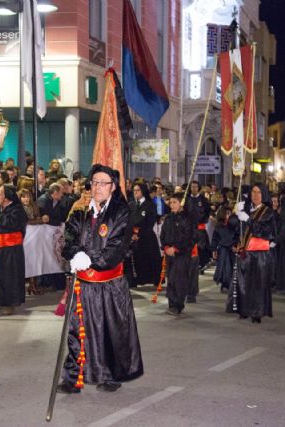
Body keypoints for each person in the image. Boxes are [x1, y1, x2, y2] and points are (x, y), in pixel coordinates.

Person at [57, 164, 143, 394]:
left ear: (113, 187)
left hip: (110, 285)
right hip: (83, 285)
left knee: (111, 330)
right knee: (78, 330)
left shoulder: (121, 213)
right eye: (94, 182)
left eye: (103, 183)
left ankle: (111, 375)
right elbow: (69, 238)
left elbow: (116, 248)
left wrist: (91, 258)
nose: (97, 187)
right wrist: (75, 254)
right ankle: (74, 377)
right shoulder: (79, 211)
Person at [229, 184, 277, 323]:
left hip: (259, 253)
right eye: (253, 192)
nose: (255, 195)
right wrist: (236, 213)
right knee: (243, 283)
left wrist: (248, 219)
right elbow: (236, 228)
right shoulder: (247, 209)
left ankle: (257, 312)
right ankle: (243, 310)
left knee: (257, 284)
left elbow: (263, 231)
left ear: (264, 195)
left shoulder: (267, 212)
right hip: (244, 251)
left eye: (259, 192)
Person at [0, 185, 28, 315]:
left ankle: (10, 304)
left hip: (12, 249)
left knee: (10, 277)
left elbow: (12, 225)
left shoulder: (18, 210)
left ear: (7, 196)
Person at [160, 192, 197, 315]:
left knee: (179, 279)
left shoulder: (188, 218)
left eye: (174, 202)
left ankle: (178, 304)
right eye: (170, 202)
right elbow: (163, 234)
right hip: (169, 253)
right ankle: (171, 303)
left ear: (181, 203)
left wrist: (176, 248)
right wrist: (166, 247)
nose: (172, 205)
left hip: (181, 254)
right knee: (170, 279)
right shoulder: (169, 218)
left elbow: (189, 237)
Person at [126, 182, 162, 287]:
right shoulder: (131, 205)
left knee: (149, 259)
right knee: (135, 260)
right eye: (134, 190)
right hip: (133, 236)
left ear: (143, 191)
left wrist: (139, 234)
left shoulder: (150, 205)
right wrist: (131, 233)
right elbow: (127, 221)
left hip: (146, 236)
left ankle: (151, 279)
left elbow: (150, 222)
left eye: (138, 190)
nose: (135, 192)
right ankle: (137, 280)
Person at [185, 181, 211, 274]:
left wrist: (204, 219)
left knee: (201, 247)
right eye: (192, 187)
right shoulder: (186, 199)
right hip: (189, 227)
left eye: (196, 187)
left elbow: (208, 210)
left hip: (200, 227)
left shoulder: (203, 199)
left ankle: (201, 265)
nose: (194, 189)